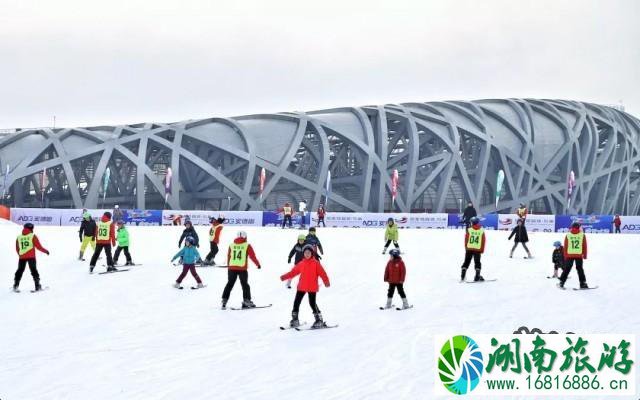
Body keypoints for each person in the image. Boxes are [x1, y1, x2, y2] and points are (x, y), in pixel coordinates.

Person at [280, 244, 330, 328]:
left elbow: (323, 273)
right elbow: (293, 272)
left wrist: (326, 282)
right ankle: (295, 320)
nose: (307, 254)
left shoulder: (316, 263)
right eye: (305, 253)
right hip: (301, 287)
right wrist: (284, 277)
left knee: (312, 303)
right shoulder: (301, 263)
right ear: (303, 253)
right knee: (296, 302)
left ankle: (319, 320)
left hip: (312, 287)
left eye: (309, 253)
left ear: (312, 253)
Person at [221, 231, 262, 309]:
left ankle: (224, 300)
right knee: (245, 285)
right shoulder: (247, 245)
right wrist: (258, 264)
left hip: (231, 268)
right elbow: (252, 256)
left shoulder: (231, 245)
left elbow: (229, 256)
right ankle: (246, 301)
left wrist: (229, 266)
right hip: (242, 268)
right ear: (245, 237)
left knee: (229, 284)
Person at [14, 223, 49, 292]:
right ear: (31, 228)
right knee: (34, 270)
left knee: (20, 271)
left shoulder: (19, 237)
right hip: (31, 257)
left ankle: (15, 285)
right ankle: (37, 286)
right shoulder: (32, 236)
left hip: (22, 257)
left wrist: (20, 255)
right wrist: (46, 251)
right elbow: (38, 247)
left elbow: (17, 248)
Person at [558, 222, 589, 289]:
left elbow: (565, 246)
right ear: (579, 227)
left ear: (572, 227)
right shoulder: (582, 235)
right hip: (579, 255)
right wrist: (585, 255)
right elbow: (584, 246)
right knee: (580, 269)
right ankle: (583, 283)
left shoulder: (568, 235)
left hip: (569, 255)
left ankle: (561, 282)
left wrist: (565, 255)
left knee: (567, 269)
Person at [460, 216, 485, 282]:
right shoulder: (481, 231)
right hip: (477, 249)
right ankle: (477, 276)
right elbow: (483, 241)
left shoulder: (469, 230)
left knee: (466, 261)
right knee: (477, 262)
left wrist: (466, 247)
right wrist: (482, 250)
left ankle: (462, 276)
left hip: (469, 248)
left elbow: (466, 240)